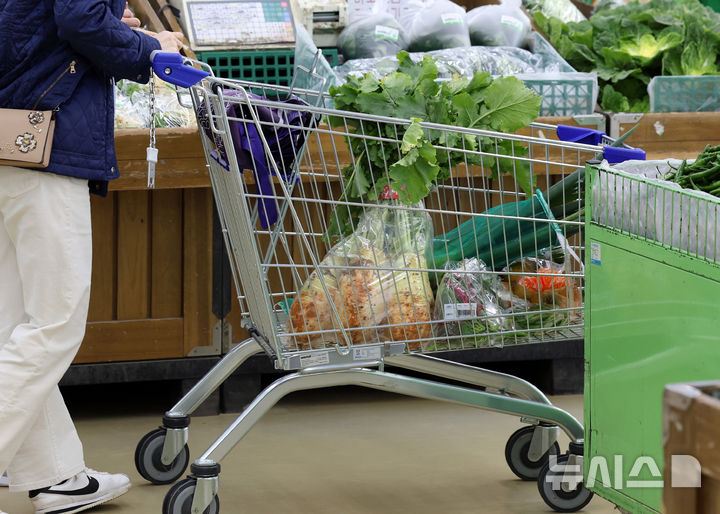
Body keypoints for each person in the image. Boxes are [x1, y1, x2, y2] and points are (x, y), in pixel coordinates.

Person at [0, 2, 183, 513]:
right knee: (53, 326)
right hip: (48, 138)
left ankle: (57, 475)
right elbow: (78, 18)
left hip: (12, 131)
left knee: (17, 324)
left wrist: (105, 21)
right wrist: (150, 48)